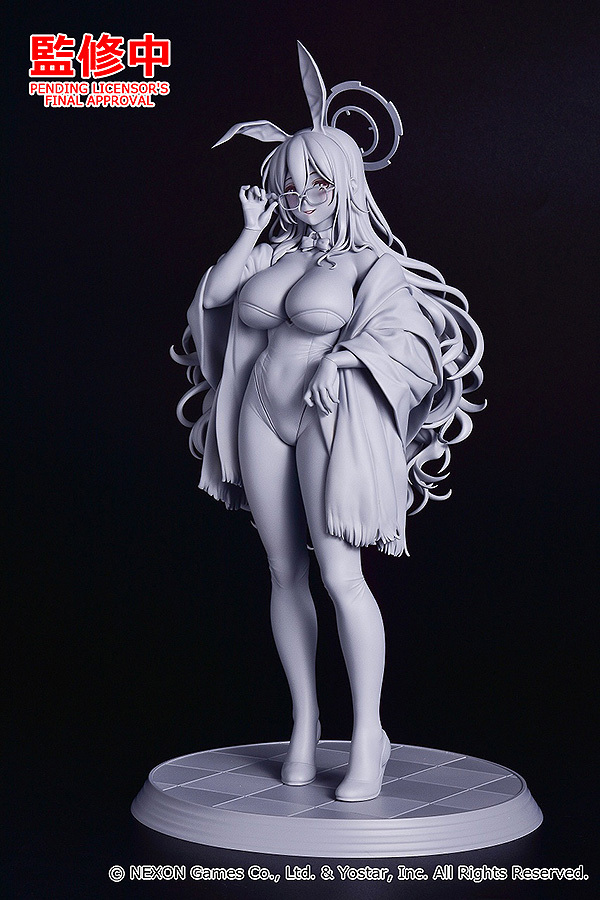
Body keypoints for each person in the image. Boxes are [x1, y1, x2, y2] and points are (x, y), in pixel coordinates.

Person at [172, 45, 483, 802]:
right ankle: (306, 725)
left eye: (317, 181)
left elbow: (408, 342)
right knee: (283, 571)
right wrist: (250, 229)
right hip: (260, 412)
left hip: (327, 416)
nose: (302, 195)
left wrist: (343, 362)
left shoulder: (370, 265)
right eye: (289, 182)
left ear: (345, 182)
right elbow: (215, 301)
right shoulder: (271, 253)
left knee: (342, 576)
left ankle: (368, 733)